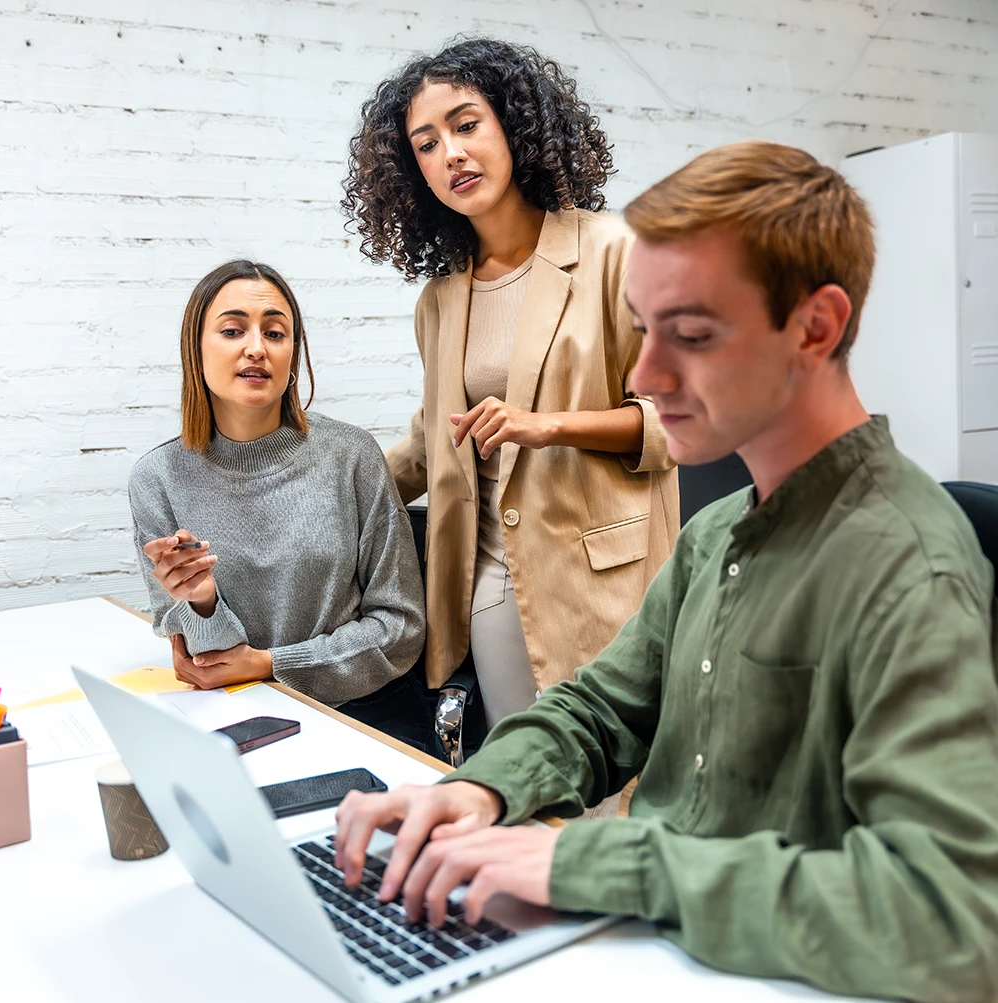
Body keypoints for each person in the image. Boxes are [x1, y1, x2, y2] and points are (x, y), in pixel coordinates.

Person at [333, 142, 998, 1000]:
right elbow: (601, 707)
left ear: (816, 327)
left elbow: (952, 918)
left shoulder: (908, 567)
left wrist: (596, 858)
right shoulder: (719, 528)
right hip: (655, 953)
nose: (645, 375)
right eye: (644, 331)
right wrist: (481, 791)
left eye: (689, 334)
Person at [342, 37, 679, 730]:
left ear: (516, 126)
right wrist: (318, 489)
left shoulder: (617, 253)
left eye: (467, 125)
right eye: (426, 144)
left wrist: (547, 424)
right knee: (528, 792)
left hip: (610, 584)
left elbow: (678, 419)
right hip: (492, 585)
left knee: (619, 803)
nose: (452, 154)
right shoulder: (441, 299)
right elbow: (433, 444)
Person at [128, 260, 428, 744]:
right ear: (195, 350)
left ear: (293, 352)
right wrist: (201, 601)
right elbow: (207, 663)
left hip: (365, 714)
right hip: (234, 716)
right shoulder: (158, 478)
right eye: (231, 330)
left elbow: (401, 625)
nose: (256, 348)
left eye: (274, 333)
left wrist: (271, 664)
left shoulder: (350, 455)